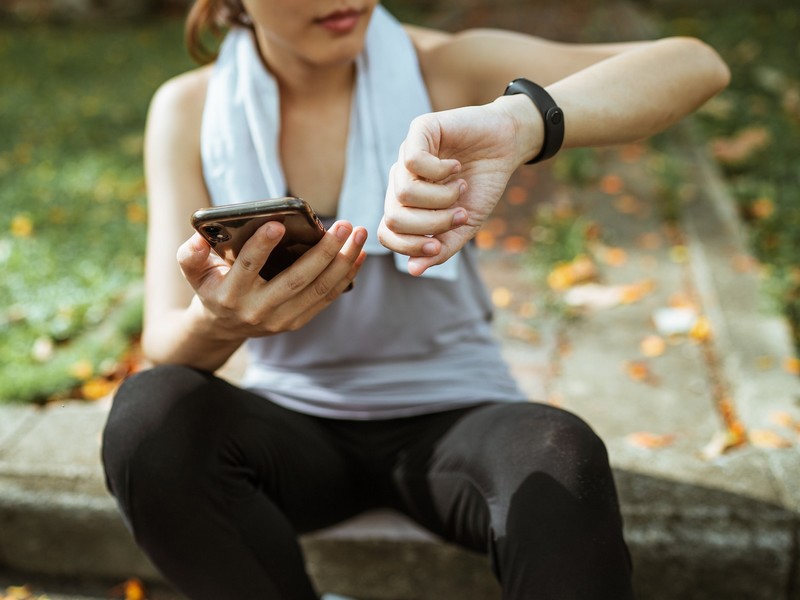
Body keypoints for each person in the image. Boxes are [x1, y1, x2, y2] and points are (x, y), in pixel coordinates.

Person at [101, 1, 729, 598]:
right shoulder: (189, 107)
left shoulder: (445, 66)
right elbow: (165, 339)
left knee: (560, 453)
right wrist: (220, 321)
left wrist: (521, 122)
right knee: (148, 416)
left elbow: (695, 64)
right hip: (296, 426)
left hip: (456, 416)